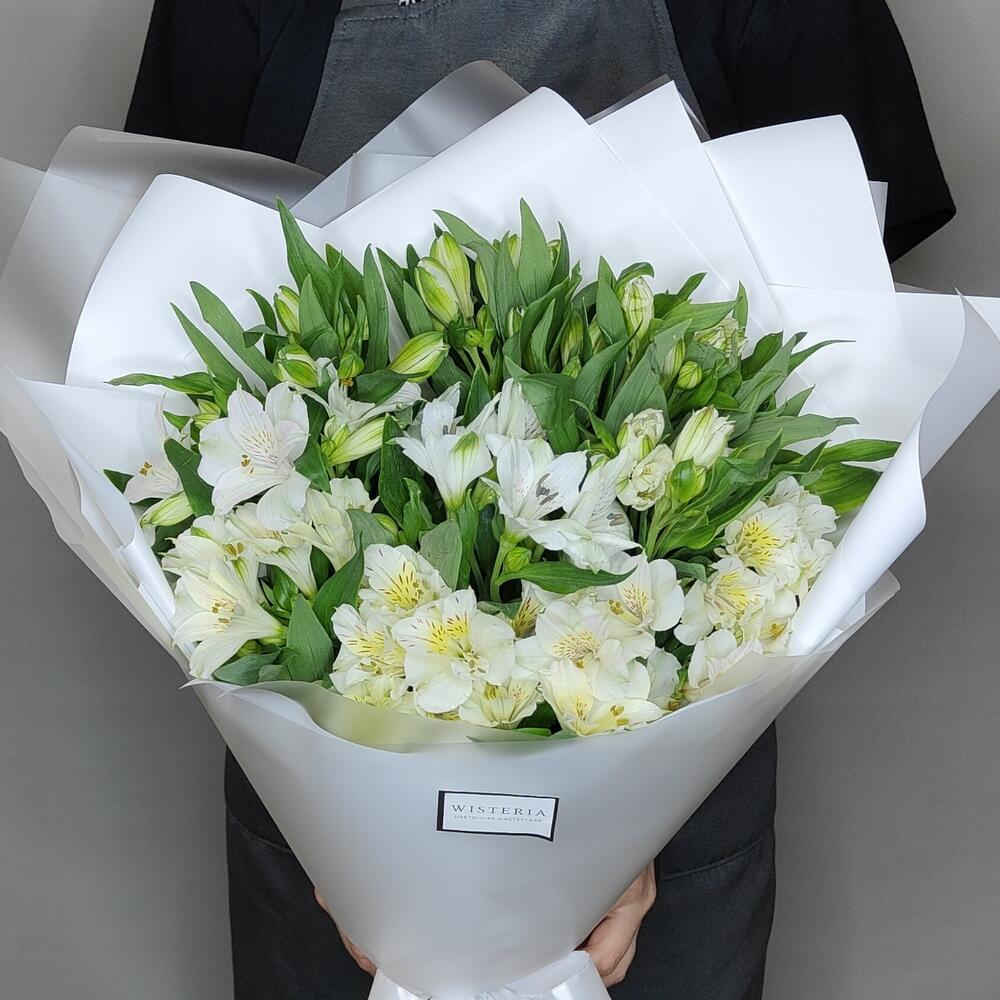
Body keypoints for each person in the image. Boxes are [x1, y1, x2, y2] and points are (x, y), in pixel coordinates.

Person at [126, 3, 954, 998]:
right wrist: (351, 841)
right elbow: (167, 284)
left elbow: (836, 293)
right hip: (315, 782)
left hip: (675, 754)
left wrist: (615, 826)